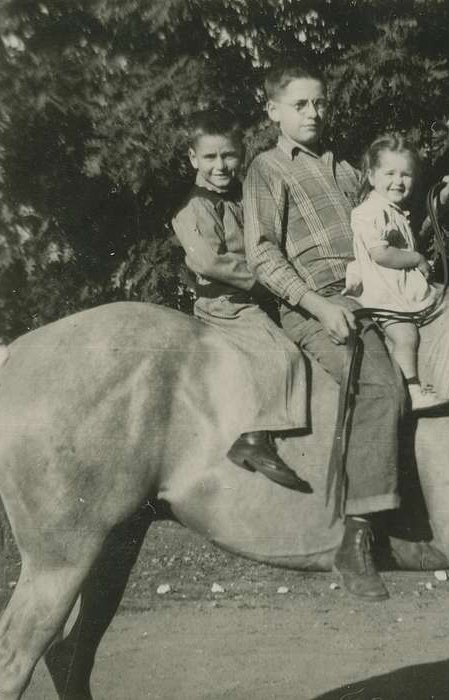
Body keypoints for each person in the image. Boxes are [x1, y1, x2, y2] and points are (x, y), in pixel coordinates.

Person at [243, 61, 411, 601]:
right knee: (382, 387)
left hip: (371, 293)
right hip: (316, 304)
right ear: (273, 111)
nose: (314, 112)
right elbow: (262, 254)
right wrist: (317, 304)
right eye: (300, 104)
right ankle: (356, 538)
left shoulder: (344, 170)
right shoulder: (267, 170)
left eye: (319, 103)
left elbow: (387, 211)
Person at [171, 109, 311, 494]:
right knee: (281, 352)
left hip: (256, 294)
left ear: (241, 155)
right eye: (211, 157)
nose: (221, 165)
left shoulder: (244, 198)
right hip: (228, 303)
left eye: (229, 155)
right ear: (193, 159)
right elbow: (209, 261)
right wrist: (270, 281)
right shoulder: (196, 210)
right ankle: (253, 435)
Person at [345, 133, 449, 412]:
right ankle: (413, 390)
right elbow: (380, 254)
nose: (398, 181)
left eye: (406, 174)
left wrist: (443, 197)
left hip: (402, 292)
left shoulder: (393, 209)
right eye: (390, 173)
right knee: (406, 336)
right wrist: (417, 258)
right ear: (371, 176)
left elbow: (418, 230)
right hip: (384, 296)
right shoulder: (369, 211)